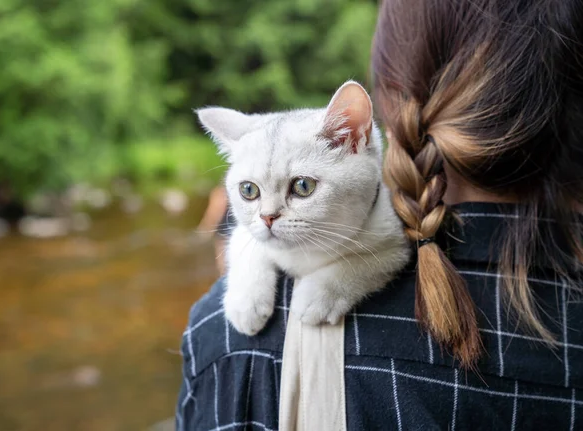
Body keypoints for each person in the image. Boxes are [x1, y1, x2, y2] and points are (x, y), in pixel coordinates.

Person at [177, 0, 583, 429]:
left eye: (302, 187)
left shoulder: (226, 342)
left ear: (377, 123)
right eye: (249, 192)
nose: (269, 216)